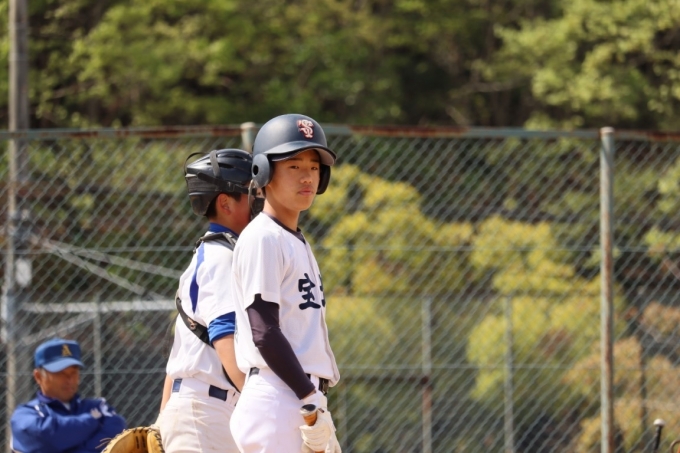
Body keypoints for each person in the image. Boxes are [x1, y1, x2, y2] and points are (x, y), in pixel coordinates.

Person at [230, 113, 342, 453]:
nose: (307, 176)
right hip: (281, 397)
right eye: (294, 166)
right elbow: (264, 330)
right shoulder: (263, 237)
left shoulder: (294, 239)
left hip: (297, 396)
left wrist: (312, 399)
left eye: (314, 167)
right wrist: (307, 395)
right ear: (264, 172)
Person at [155, 148, 260, 453]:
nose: (260, 199)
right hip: (205, 414)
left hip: (206, 411)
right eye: (251, 191)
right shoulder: (220, 258)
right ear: (225, 203)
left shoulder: (218, 253)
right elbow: (225, 342)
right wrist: (268, 408)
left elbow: (179, 356)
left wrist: (160, 423)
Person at [10, 338, 126, 453]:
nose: (69, 380)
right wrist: (91, 420)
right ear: (38, 376)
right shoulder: (25, 415)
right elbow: (48, 435)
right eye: (60, 373)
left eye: (74, 372)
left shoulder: (97, 407)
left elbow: (117, 433)